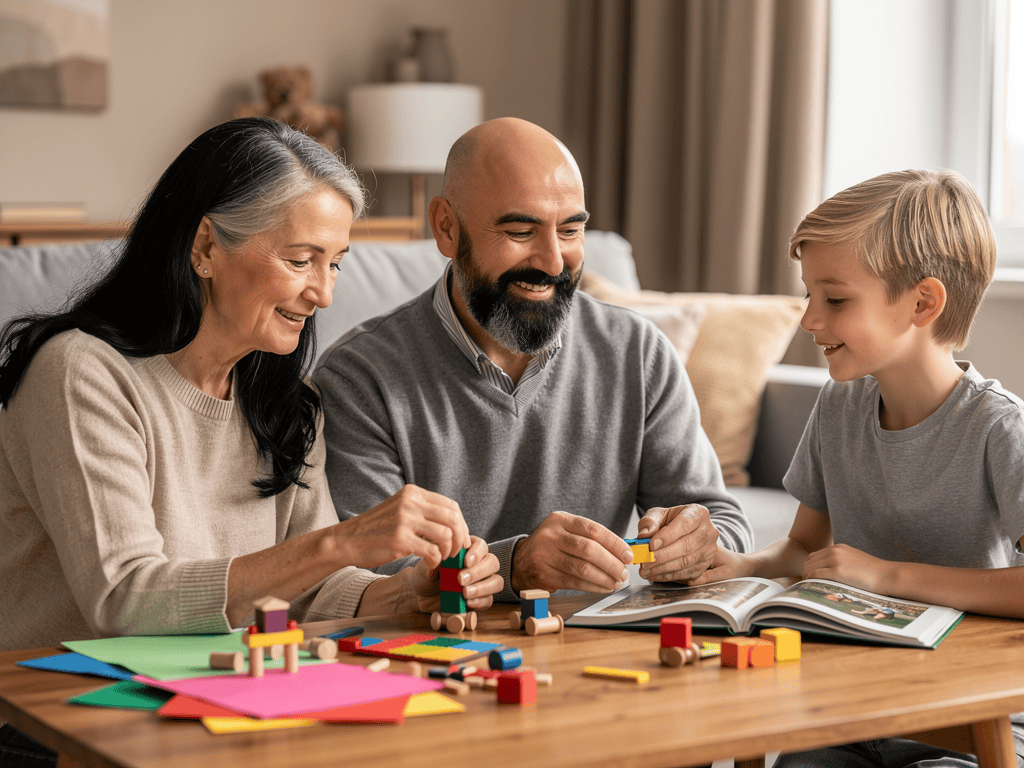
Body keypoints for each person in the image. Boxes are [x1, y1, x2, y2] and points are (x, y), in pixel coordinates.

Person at [0, 118, 502, 764]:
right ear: (206, 247)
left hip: (219, 715)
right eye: (300, 261)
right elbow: (123, 601)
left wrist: (406, 592)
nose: (323, 293)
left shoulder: (286, 405)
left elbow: (310, 592)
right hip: (61, 729)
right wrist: (339, 541)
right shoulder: (82, 373)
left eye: (336, 264)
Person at [313, 117, 751, 601]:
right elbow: (370, 579)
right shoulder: (357, 378)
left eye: (570, 230)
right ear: (446, 228)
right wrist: (515, 566)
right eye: (521, 230)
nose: (554, 261)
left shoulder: (639, 353)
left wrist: (694, 541)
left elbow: (724, 522)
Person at [701, 169, 1024, 767]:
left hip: (969, 720)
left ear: (923, 302)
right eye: (808, 295)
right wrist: (737, 566)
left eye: (835, 299)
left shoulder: (999, 429)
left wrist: (887, 576)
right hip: (853, 707)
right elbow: (804, 549)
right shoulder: (840, 406)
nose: (808, 319)